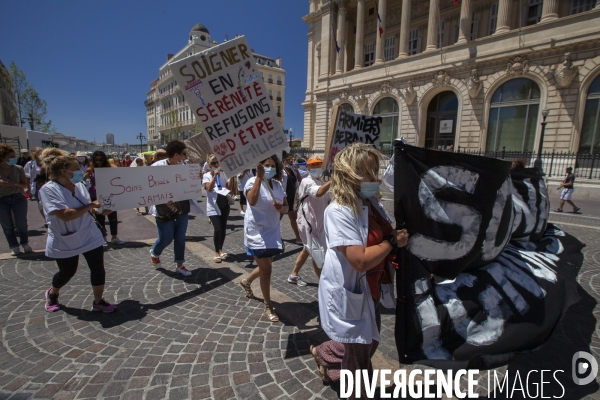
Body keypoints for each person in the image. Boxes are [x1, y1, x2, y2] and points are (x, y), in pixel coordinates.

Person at [310, 143, 408, 393]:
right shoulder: (339, 211)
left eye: (376, 170)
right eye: (368, 172)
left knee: (370, 341)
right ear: (350, 175)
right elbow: (360, 259)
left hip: (372, 288)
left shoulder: (373, 204)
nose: (375, 177)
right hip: (351, 288)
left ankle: (324, 353)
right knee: (360, 357)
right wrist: (391, 243)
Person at [39, 155, 116, 313]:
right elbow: (65, 215)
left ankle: (98, 301)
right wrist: (91, 206)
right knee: (67, 272)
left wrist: (100, 210)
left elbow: (88, 207)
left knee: (98, 268)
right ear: (64, 171)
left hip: (89, 233)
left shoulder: (79, 185)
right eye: (76, 169)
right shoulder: (48, 190)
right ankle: (53, 292)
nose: (80, 171)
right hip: (66, 237)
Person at [239, 155, 289, 322]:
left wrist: (280, 207)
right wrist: (259, 178)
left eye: (273, 165)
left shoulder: (278, 185)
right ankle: (268, 306)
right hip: (257, 233)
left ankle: (247, 281)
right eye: (266, 165)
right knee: (267, 269)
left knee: (266, 265)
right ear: (259, 166)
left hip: (272, 232)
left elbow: (287, 208)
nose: (270, 168)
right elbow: (251, 201)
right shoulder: (251, 181)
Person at [149, 140, 192, 277]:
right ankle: (155, 252)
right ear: (176, 155)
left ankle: (180, 264)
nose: (186, 156)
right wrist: (162, 199)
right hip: (163, 209)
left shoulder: (185, 167)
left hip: (182, 208)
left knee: (180, 237)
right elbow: (149, 188)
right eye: (184, 154)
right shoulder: (156, 167)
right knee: (166, 238)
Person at [288, 155, 331, 286]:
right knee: (316, 253)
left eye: (319, 164)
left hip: (320, 223)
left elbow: (328, 201)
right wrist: (334, 181)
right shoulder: (307, 181)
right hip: (309, 223)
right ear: (308, 167)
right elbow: (318, 193)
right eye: (314, 165)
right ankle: (323, 284)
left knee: (308, 249)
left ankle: (293, 274)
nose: (317, 167)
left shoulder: (322, 182)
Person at [83, 151, 124, 244]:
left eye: (101, 159)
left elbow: (119, 172)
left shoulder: (109, 167)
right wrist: (85, 177)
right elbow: (83, 180)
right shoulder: (90, 169)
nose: (98, 161)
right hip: (95, 195)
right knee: (99, 218)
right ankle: (103, 237)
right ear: (93, 160)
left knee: (113, 217)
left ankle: (114, 237)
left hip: (109, 195)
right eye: (96, 159)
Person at [0, 144, 30, 255]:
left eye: (14, 156)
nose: (14, 158)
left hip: (18, 197)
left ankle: (25, 243)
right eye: (10, 157)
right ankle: (14, 246)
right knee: (7, 224)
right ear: (2, 158)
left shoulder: (18, 169)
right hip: (2, 198)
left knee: (21, 222)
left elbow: (24, 185)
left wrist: (15, 183)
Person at [203, 154, 233, 263]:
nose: (216, 165)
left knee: (223, 228)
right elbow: (209, 188)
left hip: (224, 204)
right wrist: (214, 177)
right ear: (209, 165)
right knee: (217, 229)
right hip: (213, 206)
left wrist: (231, 177)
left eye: (217, 162)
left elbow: (228, 188)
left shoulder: (223, 174)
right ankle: (216, 252)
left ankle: (220, 249)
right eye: (213, 163)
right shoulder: (206, 175)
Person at [281, 152, 303, 243]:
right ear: (284, 160)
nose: (291, 161)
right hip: (284, 197)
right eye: (289, 159)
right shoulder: (281, 171)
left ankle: (298, 237)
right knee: (277, 217)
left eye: (293, 159)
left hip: (292, 197)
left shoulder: (293, 170)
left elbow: (300, 180)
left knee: (293, 217)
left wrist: (297, 171)